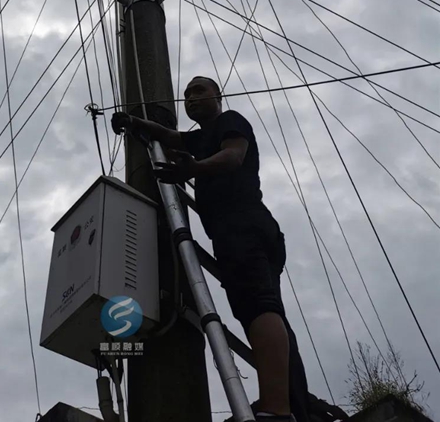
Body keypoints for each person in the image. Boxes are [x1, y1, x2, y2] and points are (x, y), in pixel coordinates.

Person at [111, 75, 310, 422]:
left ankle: (278, 410)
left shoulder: (230, 121)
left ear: (218, 96)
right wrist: (132, 121)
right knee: (257, 309)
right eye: (187, 95)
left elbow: (233, 157)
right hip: (235, 231)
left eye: (199, 91)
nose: (191, 98)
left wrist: (195, 168)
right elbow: (170, 136)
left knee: (257, 305)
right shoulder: (200, 137)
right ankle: (290, 403)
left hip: (243, 222)